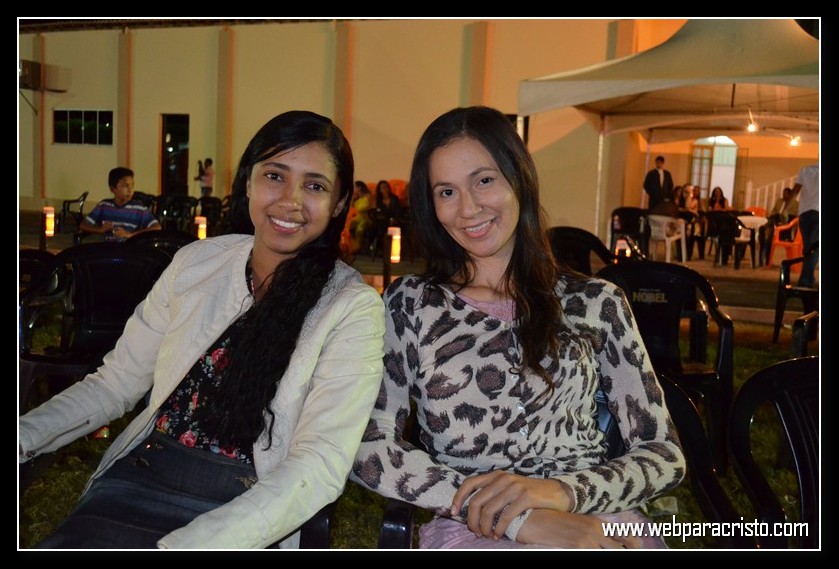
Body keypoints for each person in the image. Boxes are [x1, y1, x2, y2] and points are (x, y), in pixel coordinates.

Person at [19, 110, 386, 549]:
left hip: (249, 508)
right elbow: (113, 386)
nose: (290, 201)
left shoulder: (350, 307)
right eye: (274, 176)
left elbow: (319, 464)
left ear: (339, 204)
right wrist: (24, 436)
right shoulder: (198, 264)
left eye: (315, 186)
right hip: (142, 478)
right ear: (247, 183)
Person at [350, 106, 685, 550]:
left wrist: (561, 494)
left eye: (484, 180)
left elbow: (663, 454)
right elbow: (369, 446)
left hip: (599, 520)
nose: (468, 208)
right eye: (446, 191)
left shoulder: (596, 302)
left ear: (519, 179)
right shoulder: (412, 305)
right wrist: (516, 517)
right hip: (475, 528)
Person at [79, 167, 161, 242]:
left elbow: (157, 227)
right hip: (108, 248)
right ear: (113, 189)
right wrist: (100, 229)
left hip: (130, 248)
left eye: (132, 185)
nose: (130, 190)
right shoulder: (104, 206)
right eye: (125, 186)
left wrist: (130, 235)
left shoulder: (139, 208)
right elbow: (83, 225)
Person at [791, 163, 819, 287]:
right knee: (815, 248)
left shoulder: (805, 170)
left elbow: (795, 191)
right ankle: (805, 279)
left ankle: (808, 277)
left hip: (804, 213)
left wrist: (784, 209)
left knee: (808, 247)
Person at [758, 186, 799, 266]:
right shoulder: (779, 201)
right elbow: (773, 210)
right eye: (783, 194)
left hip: (784, 223)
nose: (784, 195)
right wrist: (773, 215)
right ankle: (764, 229)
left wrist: (783, 216)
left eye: (786, 194)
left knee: (770, 235)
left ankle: (766, 229)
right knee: (770, 223)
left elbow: (794, 216)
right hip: (775, 220)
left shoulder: (795, 204)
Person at [370, 179, 403, 257]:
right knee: (378, 225)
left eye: (386, 187)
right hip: (382, 221)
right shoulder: (378, 200)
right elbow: (375, 212)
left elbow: (398, 211)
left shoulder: (394, 199)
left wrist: (394, 219)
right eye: (383, 187)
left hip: (393, 221)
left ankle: (381, 248)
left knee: (378, 228)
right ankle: (381, 248)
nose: (385, 189)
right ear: (380, 190)